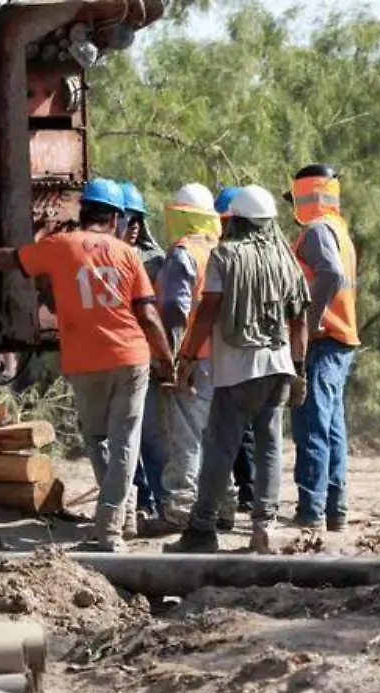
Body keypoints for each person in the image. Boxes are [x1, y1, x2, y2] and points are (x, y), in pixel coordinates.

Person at [0, 177, 175, 551]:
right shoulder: (127, 254)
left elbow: (12, 258)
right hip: (130, 358)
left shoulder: (58, 247)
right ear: (116, 219)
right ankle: (114, 526)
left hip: (84, 361)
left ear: (83, 214)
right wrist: (167, 358)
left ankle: (120, 519)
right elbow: (147, 314)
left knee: (97, 441)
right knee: (126, 441)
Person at [164, 185, 310, 554]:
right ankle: (265, 527)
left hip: (238, 370)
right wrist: (299, 369)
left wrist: (187, 357)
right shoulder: (286, 259)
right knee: (270, 446)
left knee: (217, 449)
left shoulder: (224, 257)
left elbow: (208, 311)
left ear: (237, 222)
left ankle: (201, 530)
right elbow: (300, 320)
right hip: (278, 369)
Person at [150, 183, 236, 533]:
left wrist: (170, 356)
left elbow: (174, 307)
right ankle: (225, 505)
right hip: (226, 361)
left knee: (186, 437)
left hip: (192, 360)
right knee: (217, 436)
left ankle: (181, 509)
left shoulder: (183, 252)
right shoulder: (222, 251)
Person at [285, 164, 359, 533]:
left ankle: (312, 511)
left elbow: (329, 273)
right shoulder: (338, 230)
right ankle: (334, 510)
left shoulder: (315, 231)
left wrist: (309, 324)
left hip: (323, 341)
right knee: (331, 427)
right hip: (340, 340)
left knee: (312, 425)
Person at [121, 180, 168, 516]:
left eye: (138, 219)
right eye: (127, 218)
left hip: (147, 361)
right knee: (122, 439)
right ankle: (135, 501)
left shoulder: (157, 261)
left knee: (151, 436)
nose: (134, 226)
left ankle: (161, 501)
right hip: (116, 360)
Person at [216, 186, 256, 513]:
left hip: (237, 352)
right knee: (244, 431)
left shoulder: (229, 256)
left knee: (241, 430)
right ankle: (248, 493)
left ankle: (248, 492)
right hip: (242, 353)